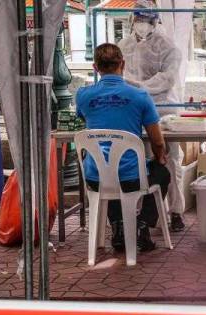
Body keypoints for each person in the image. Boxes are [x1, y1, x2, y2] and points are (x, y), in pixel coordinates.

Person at [76, 43, 171, 252]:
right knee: (161, 173)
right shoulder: (140, 96)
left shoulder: (83, 95)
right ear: (123, 64)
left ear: (95, 67)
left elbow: (85, 119)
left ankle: (118, 227)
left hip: (94, 178)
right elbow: (157, 141)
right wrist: (160, 157)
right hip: (131, 178)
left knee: (108, 168)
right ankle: (142, 227)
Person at [118, 0, 186, 233]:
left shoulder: (167, 46)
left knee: (169, 160)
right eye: (139, 20)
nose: (142, 25)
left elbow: (167, 79)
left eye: (147, 21)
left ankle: (175, 212)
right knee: (142, 162)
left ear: (155, 21)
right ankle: (144, 216)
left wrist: (140, 86)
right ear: (132, 20)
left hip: (163, 109)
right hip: (134, 110)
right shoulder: (123, 45)